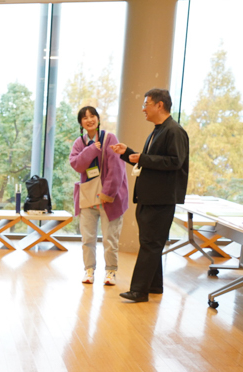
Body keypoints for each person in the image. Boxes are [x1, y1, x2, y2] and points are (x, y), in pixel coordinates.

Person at [112, 88, 189, 303]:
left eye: (146, 104)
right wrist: (128, 153)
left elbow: (175, 161)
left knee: (150, 243)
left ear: (159, 105)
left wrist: (142, 158)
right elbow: (149, 161)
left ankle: (139, 291)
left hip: (161, 198)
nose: (143, 109)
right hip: (151, 196)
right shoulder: (159, 130)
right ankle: (154, 285)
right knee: (151, 242)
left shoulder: (174, 131)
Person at [69, 106, 129, 286]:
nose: (89, 120)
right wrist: (91, 150)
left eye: (92, 116)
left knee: (110, 238)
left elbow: (117, 169)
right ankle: (89, 270)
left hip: (108, 198)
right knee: (87, 238)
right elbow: (77, 165)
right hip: (88, 197)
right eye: (85, 117)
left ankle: (111, 271)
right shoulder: (79, 143)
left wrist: (107, 193)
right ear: (81, 123)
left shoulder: (110, 138)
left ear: (98, 118)